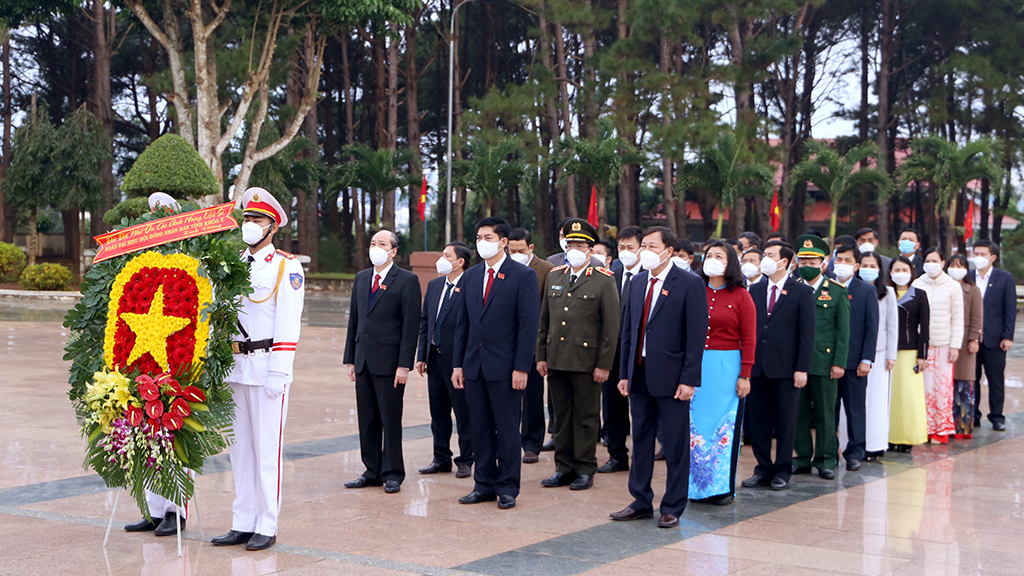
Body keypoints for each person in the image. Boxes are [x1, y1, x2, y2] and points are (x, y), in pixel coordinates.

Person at [213, 187, 304, 551]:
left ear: (272, 227)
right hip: (234, 367)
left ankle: (267, 523)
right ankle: (242, 521)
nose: (249, 225)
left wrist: (280, 372)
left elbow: (288, 322)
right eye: (247, 219)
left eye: (257, 220)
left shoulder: (285, 265)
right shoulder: (233, 263)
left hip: (266, 366)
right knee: (240, 451)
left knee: (267, 450)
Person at [609, 226, 707, 528]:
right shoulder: (637, 282)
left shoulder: (689, 283)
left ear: (668, 251)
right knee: (640, 439)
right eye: (643, 246)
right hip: (639, 373)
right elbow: (628, 330)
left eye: (652, 246)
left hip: (673, 377)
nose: (645, 251)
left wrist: (689, 379)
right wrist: (625, 372)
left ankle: (673, 505)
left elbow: (695, 336)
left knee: (675, 443)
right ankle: (640, 499)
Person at [452, 217, 540, 510]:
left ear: (503, 242)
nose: (482, 243)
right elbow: (462, 324)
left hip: (505, 368)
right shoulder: (472, 276)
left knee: (506, 428)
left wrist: (521, 367)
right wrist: (458, 365)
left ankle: (507, 487)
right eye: (479, 237)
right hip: (474, 367)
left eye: (488, 238)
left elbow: (528, 326)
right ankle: (483, 484)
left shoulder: (522, 276)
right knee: (479, 428)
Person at [536, 219, 619, 491]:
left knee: (586, 417)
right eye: (570, 244)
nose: (574, 249)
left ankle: (585, 467)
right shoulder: (556, 275)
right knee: (560, 416)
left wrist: (604, 364)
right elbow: (545, 320)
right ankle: (563, 467)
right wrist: (542, 355)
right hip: (558, 358)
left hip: (586, 361)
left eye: (580, 245)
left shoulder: (603, 279)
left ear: (590, 249)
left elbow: (610, 327)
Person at [343, 230, 422, 493]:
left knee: (390, 419)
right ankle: (372, 469)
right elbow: (355, 320)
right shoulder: (362, 278)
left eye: (382, 244)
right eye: (373, 243)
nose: (376, 247)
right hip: (363, 360)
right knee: (367, 418)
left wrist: (404, 364)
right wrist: (350, 359)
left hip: (390, 363)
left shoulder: (407, 280)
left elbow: (410, 327)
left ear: (393, 251)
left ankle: (393, 472)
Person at [741, 240, 815, 491]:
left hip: (786, 369)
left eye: (770, 255)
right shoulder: (756, 290)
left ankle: (782, 470)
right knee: (759, 421)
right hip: (759, 368)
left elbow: (807, 334)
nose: (765, 259)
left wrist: (801, 368)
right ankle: (763, 468)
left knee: (785, 422)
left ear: (785, 261)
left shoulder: (801, 292)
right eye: (764, 255)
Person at [691, 241, 755, 505]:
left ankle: (721, 489)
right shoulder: (694, 290)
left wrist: (745, 374)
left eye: (719, 256)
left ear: (731, 264)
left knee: (723, 429)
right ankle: (695, 488)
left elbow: (749, 337)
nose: (712, 259)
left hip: (727, 367)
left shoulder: (741, 295)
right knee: (696, 430)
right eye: (709, 255)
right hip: (696, 365)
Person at [792, 235, 849, 480]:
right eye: (803, 259)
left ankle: (826, 459)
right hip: (796, 363)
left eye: (813, 261)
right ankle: (802, 457)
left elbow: (843, 331)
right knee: (798, 412)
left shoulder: (836, 292)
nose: (807, 265)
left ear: (823, 262)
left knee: (826, 413)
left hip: (825, 363)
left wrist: (839, 362)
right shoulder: (792, 288)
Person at [415, 243, 474, 478]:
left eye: (447, 256)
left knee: (464, 413)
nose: (442, 259)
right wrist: (421, 355)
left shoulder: (471, 286)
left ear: (460, 262)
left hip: (458, 362)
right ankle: (441, 457)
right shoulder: (435, 284)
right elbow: (425, 322)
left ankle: (466, 458)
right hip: (435, 359)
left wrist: (462, 362)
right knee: (438, 412)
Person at [598, 225, 644, 474]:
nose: (626, 252)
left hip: (641, 354)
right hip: (614, 352)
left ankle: (642, 455)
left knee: (641, 408)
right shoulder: (610, 276)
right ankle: (617, 455)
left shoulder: (649, 275)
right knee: (613, 407)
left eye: (631, 248)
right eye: (622, 248)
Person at [508, 228, 554, 463]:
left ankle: (532, 442)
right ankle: (510, 439)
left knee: (533, 395)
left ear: (531, 248)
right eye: (512, 250)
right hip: (506, 343)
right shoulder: (502, 268)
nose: (516, 254)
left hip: (534, 342)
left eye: (521, 250)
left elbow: (547, 310)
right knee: (507, 396)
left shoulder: (545, 270)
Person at [832, 243, 878, 471]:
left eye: (847, 260)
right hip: (828, 361)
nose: (842, 264)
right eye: (838, 259)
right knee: (829, 409)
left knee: (855, 408)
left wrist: (866, 360)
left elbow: (872, 328)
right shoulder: (826, 287)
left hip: (855, 361)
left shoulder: (867, 291)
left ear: (857, 265)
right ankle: (829, 452)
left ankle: (855, 451)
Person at [911, 247, 963, 444]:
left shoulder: (952, 286)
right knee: (922, 388)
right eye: (927, 260)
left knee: (941, 389)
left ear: (942, 263)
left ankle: (940, 430)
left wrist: (955, 345)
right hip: (921, 346)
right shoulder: (916, 283)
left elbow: (957, 318)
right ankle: (922, 428)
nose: (931, 264)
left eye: (935, 260)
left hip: (943, 345)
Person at [971, 239, 1016, 431]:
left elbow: (1010, 309)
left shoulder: (1004, 278)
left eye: (982, 254)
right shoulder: (967, 277)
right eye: (976, 254)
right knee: (972, 380)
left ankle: (997, 416)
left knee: (995, 380)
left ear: (993, 257)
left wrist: (1008, 336)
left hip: (995, 339)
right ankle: (973, 415)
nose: (978, 258)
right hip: (971, 340)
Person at [857, 252, 898, 461]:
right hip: (855, 353)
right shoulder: (851, 290)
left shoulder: (888, 292)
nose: (868, 268)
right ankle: (854, 444)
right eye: (864, 264)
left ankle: (874, 445)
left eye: (872, 265)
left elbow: (892, 325)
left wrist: (891, 355)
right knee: (856, 403)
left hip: (880, 354)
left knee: (876, 402)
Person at [887, 256, 929, 452]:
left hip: (910, 351)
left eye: (904, 270)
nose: (900, 273)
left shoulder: (919, 295)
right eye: (896, 269)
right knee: (890, 397)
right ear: (890, 272)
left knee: (908, 397)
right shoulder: (884, 294)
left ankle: (907, 438)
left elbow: (924, 327)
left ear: (911, 272)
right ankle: (889, 437)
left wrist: (922, 355)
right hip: (887, 351)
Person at [945, 254, 982, 439]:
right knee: (945, 384)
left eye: (959, 265)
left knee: (963, 383)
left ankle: (962, 426)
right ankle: (945, 424)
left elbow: (977, 317)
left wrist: (974, 339)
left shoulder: (972, 290)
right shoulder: (944, 287)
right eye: (952, 265)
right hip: (945, 338)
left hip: (965, 339)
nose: (955, 268)